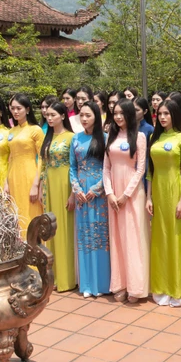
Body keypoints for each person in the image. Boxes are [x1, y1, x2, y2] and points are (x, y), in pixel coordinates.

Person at [147, 98, 181, 307]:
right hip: (157, 193)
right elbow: (150, 171)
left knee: (177, 240)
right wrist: (148, 197)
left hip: (175, 192)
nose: (163, 117)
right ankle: (162, 287)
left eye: (166, 113)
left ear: (175, 115)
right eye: (160, 114)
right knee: (160, 240)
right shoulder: (154, 137)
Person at [103, 99, 150, 302]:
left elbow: (140, 169)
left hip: (132, 193)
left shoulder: (139, 136)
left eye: (122, 113)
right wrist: (110, 193)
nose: (118, 117)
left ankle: (136, 286)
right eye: (115, 113)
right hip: (114, 193)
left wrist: (125, 195)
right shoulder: (111, 136)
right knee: (117, 238)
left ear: (130, 114)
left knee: (133, 238)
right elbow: (106, 168)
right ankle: (119, 284)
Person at [69, 100, 110, 298]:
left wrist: (97, 188)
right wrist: (76, 188)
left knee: (100, 235)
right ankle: (86, 284)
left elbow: (108, 167)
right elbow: (72, 167)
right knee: (85, 236)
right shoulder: (75, 139)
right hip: (81, 194)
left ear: (97, 117)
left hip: (98, 193)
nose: (84, 119)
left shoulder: (105, 138)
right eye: (81, 115)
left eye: (88, 115)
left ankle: (102, 284)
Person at [40, 102, 76, 292]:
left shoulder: (71, 137)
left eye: (53, 114)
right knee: (51, 230)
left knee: (65, 230)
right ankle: (53, 276)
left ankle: (67, 278)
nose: (49, 118)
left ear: (63, 116)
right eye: (47, 115)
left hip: (65, 183)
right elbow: (43, 165)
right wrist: (40, 187)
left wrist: (73, 193)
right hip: (50, 184)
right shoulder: (47, 137)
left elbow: (76, 166)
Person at [7, 94, 45, 237]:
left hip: (29, 175)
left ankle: (34, 245)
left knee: (31, 212)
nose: (15, 111)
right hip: (13, 176)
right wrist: (6, 182)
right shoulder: (11, 131)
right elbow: (10, 158)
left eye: (19, 108)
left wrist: (36, 184)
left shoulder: (35, 130)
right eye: (13, 108)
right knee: (16, 212)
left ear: (27, 109)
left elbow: (42, 158)